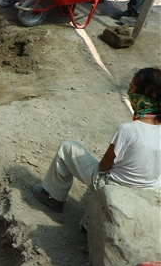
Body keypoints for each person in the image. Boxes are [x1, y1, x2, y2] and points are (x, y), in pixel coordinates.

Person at [33, 67, 161, 230]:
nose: (128, 92)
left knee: (68, 148)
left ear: (140, 98)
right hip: (149, 192)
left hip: (114, 187)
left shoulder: (126, 130)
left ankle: (53, 197)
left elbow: (103, 167)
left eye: (131, 88)